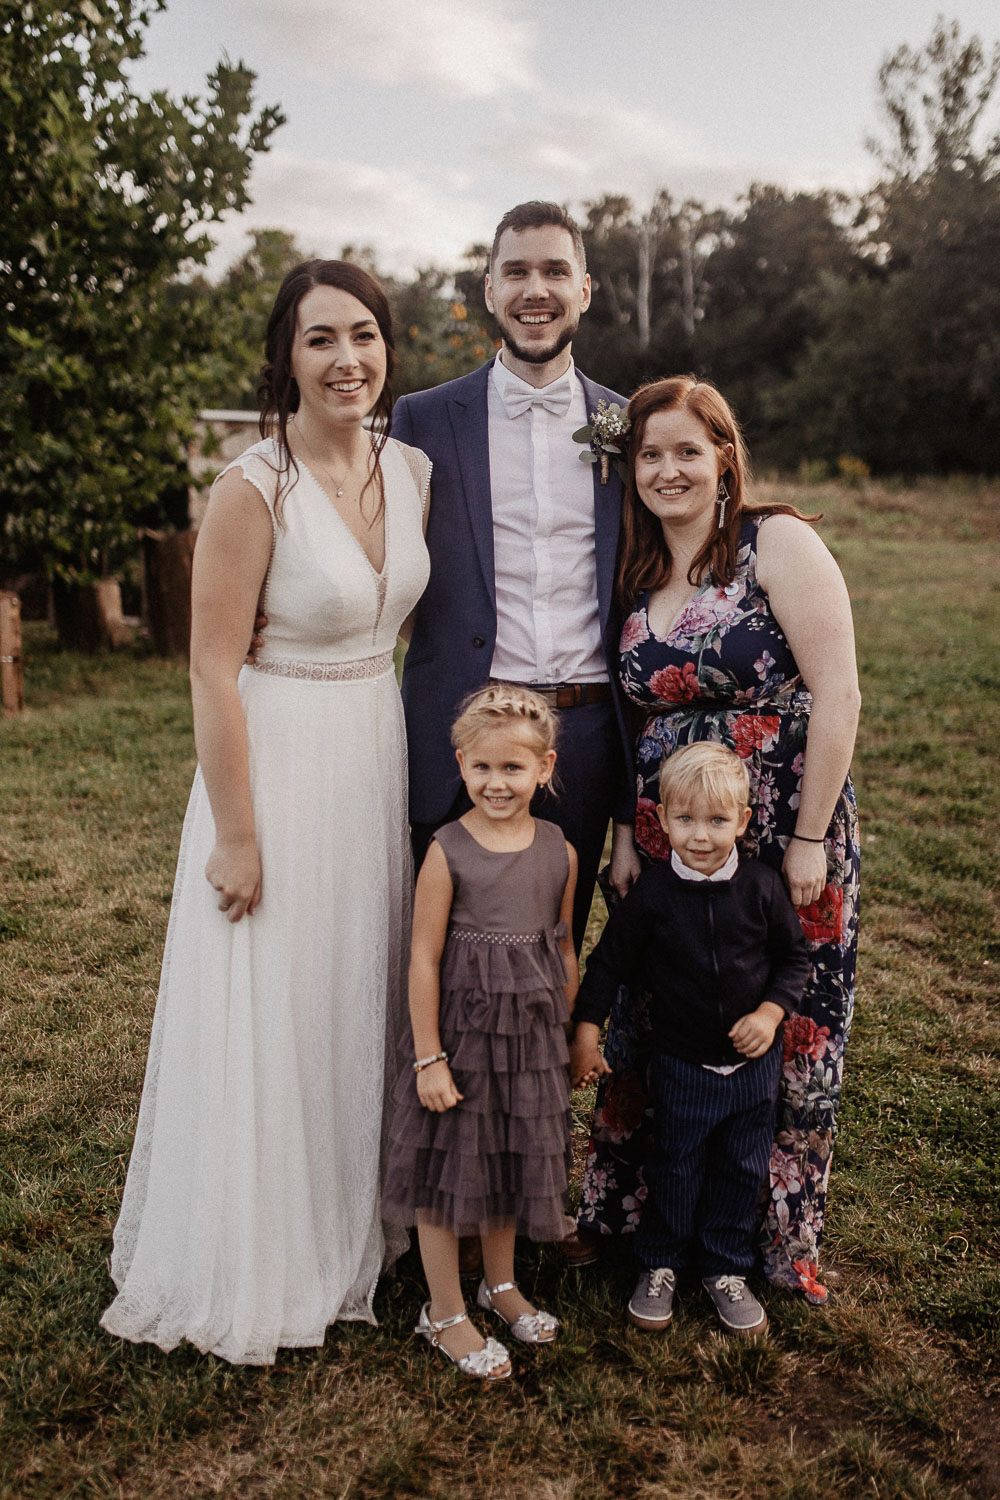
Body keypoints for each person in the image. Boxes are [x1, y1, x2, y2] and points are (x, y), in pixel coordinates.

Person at [100, 261, 431, 1364]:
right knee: (279, 993)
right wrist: (237, 834)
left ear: (387, 348)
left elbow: (408, 623)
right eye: (320, 338)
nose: (347, 359)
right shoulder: (253, 487)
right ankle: (264, 1248)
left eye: (364, 335)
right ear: (285, 357)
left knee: (356, 983)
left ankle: (357, 1216)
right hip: (278, 758)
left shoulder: (412, 469)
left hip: (374, 748)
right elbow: (209, 667)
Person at [576, 376, 861, 1306]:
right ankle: (645, 1224)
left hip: (780, 822)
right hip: (670, 833)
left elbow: (838, 692)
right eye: (649, 454)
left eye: (687, 451)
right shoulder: (635, 569)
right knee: (661, 1008)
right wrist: (628, 832)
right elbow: (628, 718)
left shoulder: (774, 542)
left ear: (724, 458)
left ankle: (765, 1238)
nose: (668, 470)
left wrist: (809, 836)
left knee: (785, 1016)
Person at [390, 201, 640, 957]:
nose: (537, 290)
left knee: (554, 947)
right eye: (517, 272)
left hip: (586, 735)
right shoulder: (423, 418)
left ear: (584, 290)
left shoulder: (629, 426)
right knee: (446, 949)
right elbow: (375, 547)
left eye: (555, 271)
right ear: (489, 289)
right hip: (463, 725)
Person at [570, 743, 810, 1334]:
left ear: (743, 821)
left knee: (741, 1169)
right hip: (681, 1065)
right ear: (661, 819)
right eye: (685, 819)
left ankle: (725, 1268)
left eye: (717, 820)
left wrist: (770, 1014)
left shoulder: (760, 887)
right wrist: (586, 1031)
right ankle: (660, 1263)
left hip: (752, 1069)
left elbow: (794, 960)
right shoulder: (652, 895)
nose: (700, 836)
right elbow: (607, 964)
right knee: (674, 1167)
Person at [383, 686, 579, 1380]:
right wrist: (429, 1057)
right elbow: (424, 958)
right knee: (446, 1170)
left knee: (509, 1159)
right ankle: (443, 1310)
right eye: (483, 768)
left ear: (544, 768)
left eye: (513, 768)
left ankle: (501, 1286)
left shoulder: (560, 850)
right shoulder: (448, 850)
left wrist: (564, 1034)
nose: (498, 783)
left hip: (528, 1043)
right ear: (461, 764)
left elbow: (563, 948)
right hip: (460, 1039)